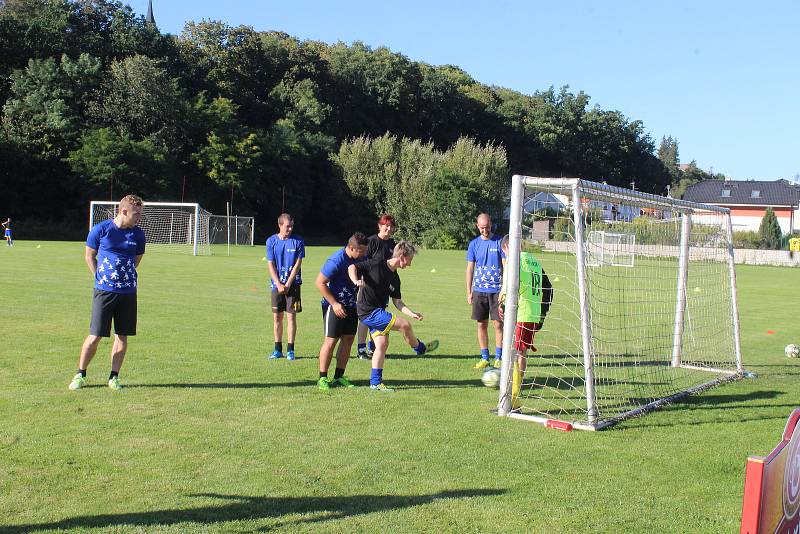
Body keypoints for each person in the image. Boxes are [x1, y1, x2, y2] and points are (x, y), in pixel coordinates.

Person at [68, 195, 146, 391]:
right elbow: (89, 255)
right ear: (124, 211)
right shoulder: (101, 229)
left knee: (122, 335)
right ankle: (80, 373)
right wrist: (100, 276)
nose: (139, 218)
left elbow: (137, 259)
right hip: (104, 291)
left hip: (128, 292)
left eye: (140, 214)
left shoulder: (138, 234)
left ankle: (114, 376)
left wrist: (124, 278)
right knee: (95, 335)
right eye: (136, 214)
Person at [348, 240, 438, 392]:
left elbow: (397, 302)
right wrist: (355, 281)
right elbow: (352, 266)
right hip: (368, 311)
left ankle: (375, 383)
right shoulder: (376, 264)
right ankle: (419, 348)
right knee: (405, 325)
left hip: (377, 312)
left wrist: (413, 313)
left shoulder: (395, 279)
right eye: (410, 260)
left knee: (382, 345)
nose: (410, 264)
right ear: (402, 256)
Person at [498, 235, 553, 409]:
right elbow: (548, 287)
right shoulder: (533, 260)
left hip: (520, 312)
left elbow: (510, 288)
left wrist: (503, 305)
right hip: (533, 313)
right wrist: (542, 311)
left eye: (504, 251)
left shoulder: (514, 262)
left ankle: (513, 397)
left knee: (516, 352)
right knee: (521, 351)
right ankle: (515, 391)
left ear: (507, 247)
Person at [315, 232, 369, 390]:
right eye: (361, 251)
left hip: (352, 305)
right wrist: (334, 303)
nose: (364, 254)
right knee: (331, 341)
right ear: (351, 248)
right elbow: (320, 282)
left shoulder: (361, 258)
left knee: (348, 340)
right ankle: (322, 378)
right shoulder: (336, 260)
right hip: (334, 306)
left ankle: (339, 377)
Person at [466, 213, 505, 370]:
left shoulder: (500, 242)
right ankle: (484, 358)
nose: (485, 231)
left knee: (498, 325)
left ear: (491, 225)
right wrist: (468, 291)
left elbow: (506, 264)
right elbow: (470, 269)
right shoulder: (473, 244)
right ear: (477, 226)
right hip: (479, 291)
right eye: (482, 228)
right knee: (481, 324)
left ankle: (499, 358)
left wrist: (504, 290)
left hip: (497, 291)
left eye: (487, 227)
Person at [356, 214, 397, 359]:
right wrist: (360, 280)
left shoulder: (392, 244)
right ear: (380, 225)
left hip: (383, 286)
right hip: (368, 285)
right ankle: (361, 350)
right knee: (365, 318)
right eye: (386, 225)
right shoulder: (372, 241)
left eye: (391, 226)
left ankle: (373, 348)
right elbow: (362, 262)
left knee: (379, 315)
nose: (389, 228)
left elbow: (394, 265)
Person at [266, 213, 305, 360]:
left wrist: (288, 284)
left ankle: (290, 350)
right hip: (276, 286)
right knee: (277, 317)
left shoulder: (298, 241)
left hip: (293, 285)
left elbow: (298, 264)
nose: (290, 229)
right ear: (280, 225)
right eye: (287, 226)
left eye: (291, 226)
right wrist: (278, 283)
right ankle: (277, 349)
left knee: (291, 318)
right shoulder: (271, 241)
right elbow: (271, 264)